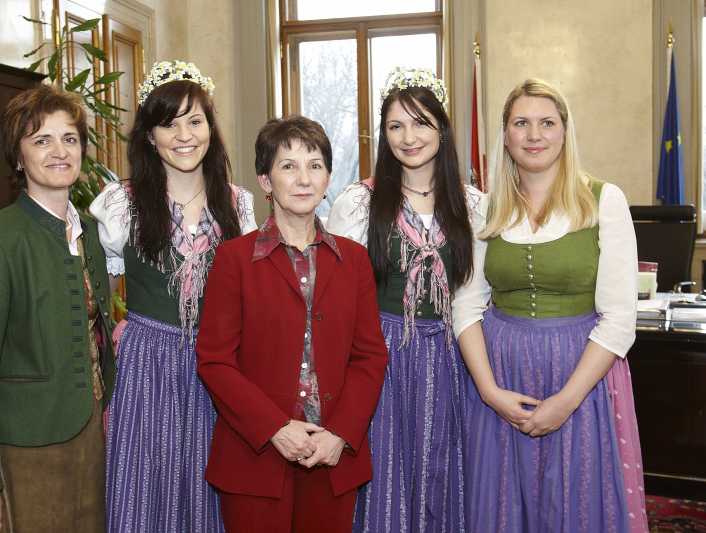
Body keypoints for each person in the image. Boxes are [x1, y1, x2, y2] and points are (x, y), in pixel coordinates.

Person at [452, 78, 648, 532]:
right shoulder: (486, 207)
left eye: (547, 123)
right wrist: (488, 391)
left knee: (575, 503)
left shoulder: (603, 200)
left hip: (581, 377)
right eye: (521, 123)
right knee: (503, 506)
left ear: (565, 132)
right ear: (505, 135)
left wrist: (565, 402)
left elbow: (620, 318)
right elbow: (465, 306)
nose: (534, 134)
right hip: (499, 375)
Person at [196, 115, 389, 533]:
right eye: (288, 166)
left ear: (328, 178)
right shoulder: (232, 259)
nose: (303, 179)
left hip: (331, 456)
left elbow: (371, 356)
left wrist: (339, 434)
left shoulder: (354, 260)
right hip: (255, 457)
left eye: (314, 165)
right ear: (265, 181)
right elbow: (214, 361)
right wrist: (275, 428)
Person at [89, 60, 256, 533]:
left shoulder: (238, 204)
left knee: (212, 488)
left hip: (218, 363)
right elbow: (99, 294)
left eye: (195, 120)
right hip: (146, 364)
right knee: (145, 487)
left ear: (211, 128)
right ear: (149, 135)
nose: (184, 135)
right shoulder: (120, 204)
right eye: (168, 123)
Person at [0, 84, 116, 532]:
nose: (59, 151)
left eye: (70, 138)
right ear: (18, 156)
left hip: (94, 431)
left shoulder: (93, 238)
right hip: (28, 445)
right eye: (42, 140)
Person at [326, 66, 476, 532]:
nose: (408, 136)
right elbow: (333, 297)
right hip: (382, 358)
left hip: (452, 360)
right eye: (396, 125)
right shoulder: (359, 203)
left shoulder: (473, 203)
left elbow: (474, 293)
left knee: (446, 473)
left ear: (442, 128)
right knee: (386, 478)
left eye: (420, 123)